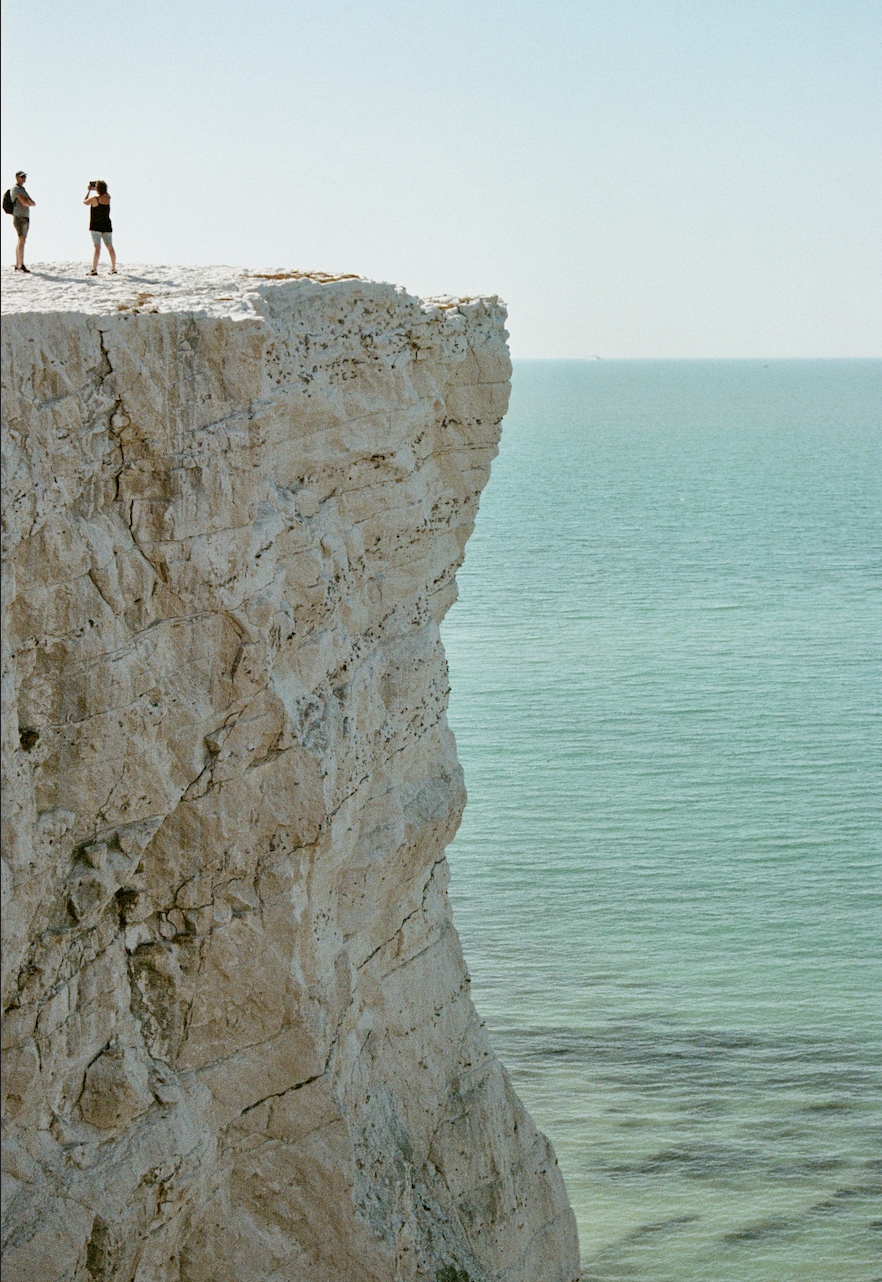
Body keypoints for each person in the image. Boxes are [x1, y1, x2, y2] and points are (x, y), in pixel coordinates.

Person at [84, 180, 116, 275]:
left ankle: (94, 269)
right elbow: (105, 194)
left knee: (97, 248)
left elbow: (85, 202)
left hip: (95, 226)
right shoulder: (108, 198)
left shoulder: (94, 199)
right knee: (110, 247)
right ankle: (113, 268)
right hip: (106, 225)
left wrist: (89, 191)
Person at [11, 171, 34, 272]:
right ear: (17, 177)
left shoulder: (23, 190)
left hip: (25, 216)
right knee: (21, 239)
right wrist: (27, 202)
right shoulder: (15, 189)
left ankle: (18, 264)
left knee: (22, 240)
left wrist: (28, 202)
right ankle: (20, 264)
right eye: (22, 177)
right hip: (19, 217)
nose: (24, 178)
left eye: (24, 177)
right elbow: (25, 202)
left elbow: (32, 202)